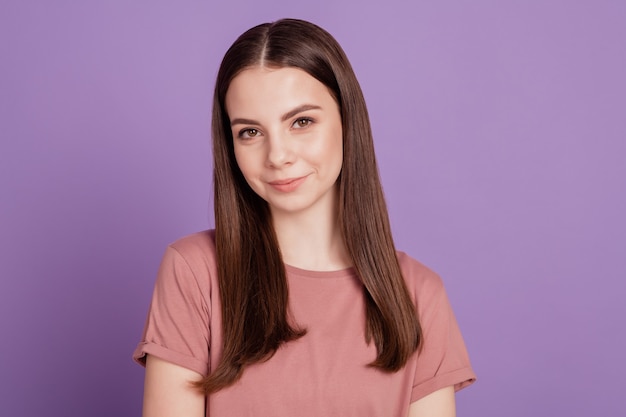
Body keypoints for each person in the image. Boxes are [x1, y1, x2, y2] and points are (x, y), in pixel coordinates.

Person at [133, 18, 476, 417]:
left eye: (301, 122)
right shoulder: (194, 272)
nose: (278, 156)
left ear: (348, 122)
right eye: (250, 132)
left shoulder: (418, 296)